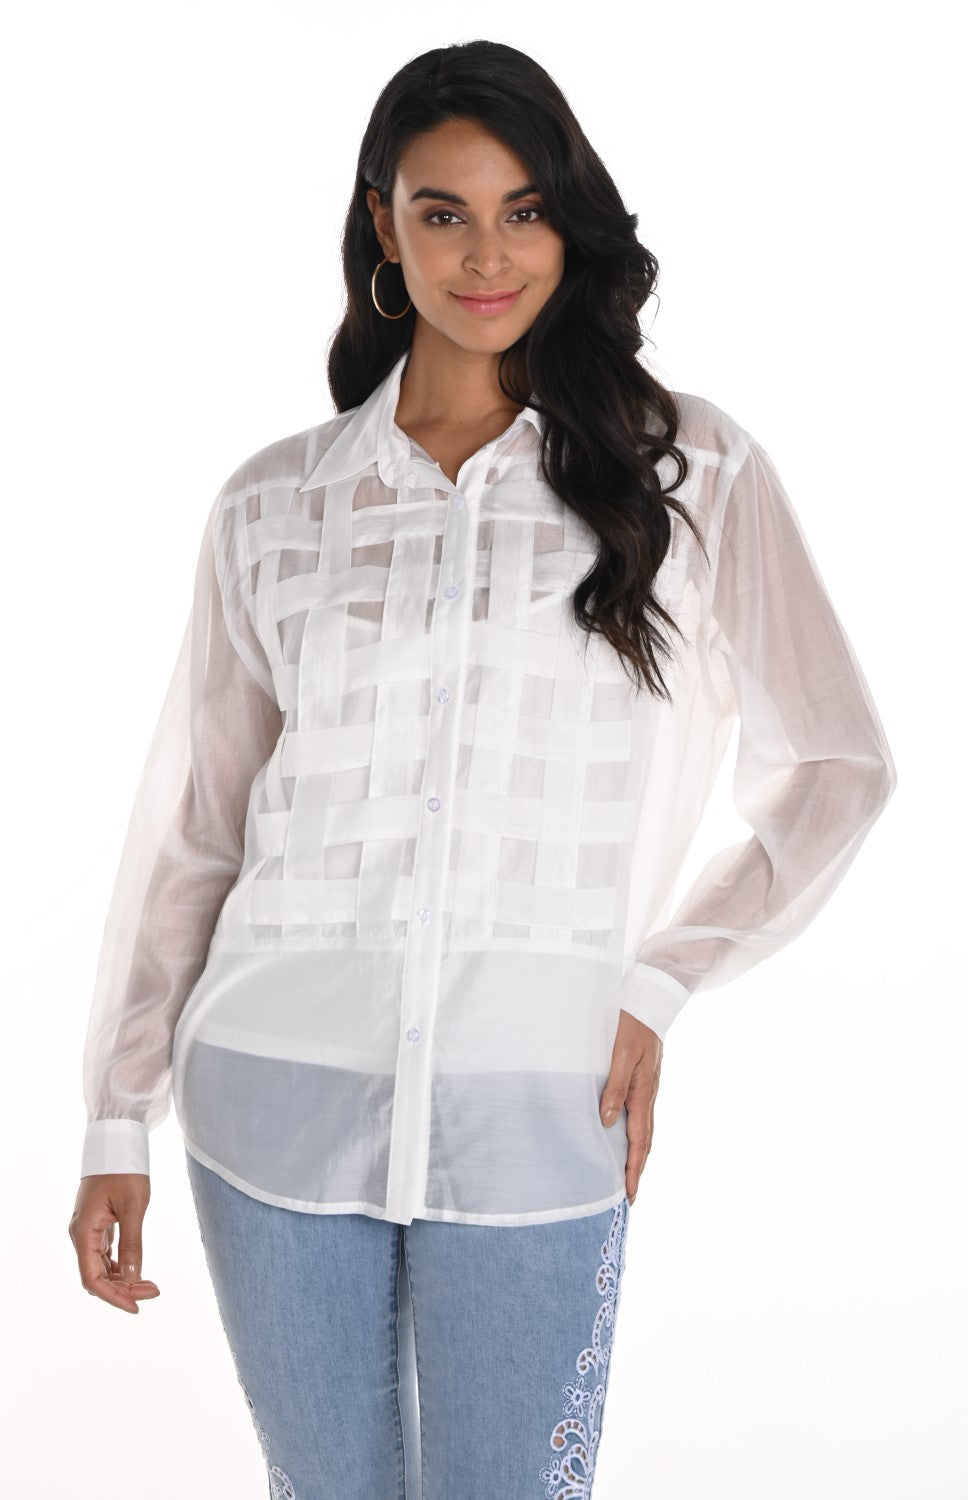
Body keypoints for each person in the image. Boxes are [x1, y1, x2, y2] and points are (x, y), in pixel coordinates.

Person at [67, 37, 897, 1499]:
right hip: (268, 1097)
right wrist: (116, 1113)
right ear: (383, 227)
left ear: (571, 221)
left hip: (542, 1106)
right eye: (443, 212)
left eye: (525, 210)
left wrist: (664, 975)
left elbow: (837, 761)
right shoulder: (275, 504)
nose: (488, 254)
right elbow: (200, 829)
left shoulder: (689, 473)